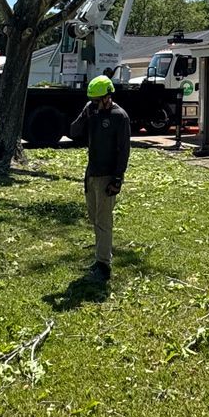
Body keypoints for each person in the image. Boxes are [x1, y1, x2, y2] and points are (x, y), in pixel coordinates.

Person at [68, 75, 130, 283]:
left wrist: (117, 179)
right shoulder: (91, 112)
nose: (95, 104)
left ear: (108, 97)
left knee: (104, 222)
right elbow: (73, 132)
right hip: (91, 174)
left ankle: (103, 266)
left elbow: (124, 151)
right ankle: (99, 259)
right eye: (92, 101)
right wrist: (85, 114)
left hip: (107, 177)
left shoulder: (119, 116)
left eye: (97, 100)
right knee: (94, 218)